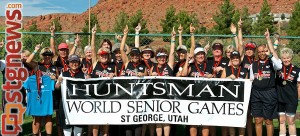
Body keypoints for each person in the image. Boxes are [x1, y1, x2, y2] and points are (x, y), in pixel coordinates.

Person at [249, 29, 282, 136]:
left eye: (263, 51)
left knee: (268, 120)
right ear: (257, 53)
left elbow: (280, 66)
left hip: (269, 93)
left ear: (266, 51)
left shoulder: (272, 62)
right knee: (258, 120)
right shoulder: (253, 65)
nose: (261, 53)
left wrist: (270, 52)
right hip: (256, 94)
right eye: (259, 52)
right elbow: (251, 80)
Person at [121, 25, 147, 136]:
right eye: (133, 55)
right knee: (128, 123)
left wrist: (143, 74)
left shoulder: (143, 65)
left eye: (137, 54)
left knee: (137, 124)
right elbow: (122, 49)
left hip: (138, 97)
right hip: (127, 95)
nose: (135, 56)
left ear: (139, 56)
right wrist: (125, 34)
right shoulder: (127, 63)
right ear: (130, 56)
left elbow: (146, 75)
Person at [181, 47, 213, 136]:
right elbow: (183, 75)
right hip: (193, 97)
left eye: (202, 54)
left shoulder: (209, 65)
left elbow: (214, 77)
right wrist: (187, 61)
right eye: (198, 54)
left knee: (205, 121)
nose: (201, 56)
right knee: (193, 121)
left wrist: (211, 76)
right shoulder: (191, 65)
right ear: (195, 56)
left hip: (206, 96)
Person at [90, 25, 116, 136]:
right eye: (102, 55)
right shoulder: (96, 63)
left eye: (106, 55)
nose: (104, 56)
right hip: (96, 94)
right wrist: (94, 34)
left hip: (108, 95)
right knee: (96, 119)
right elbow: (92, 48)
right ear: (99, 56)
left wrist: (113, 75)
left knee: (106, 119)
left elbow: (116, 77)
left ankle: (105, 134)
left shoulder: (112, 65)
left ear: (109, 55)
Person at [150, 27, 176, 136]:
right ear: (156, 58)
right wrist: (152, 74)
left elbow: (172, 52)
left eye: (164, 57)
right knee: (158, 120)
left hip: (167, 96)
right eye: (160, 57)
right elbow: (149, 78)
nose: (162, 59)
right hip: (155, 96)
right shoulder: (153, 66)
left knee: (166, 119)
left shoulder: (169, 65)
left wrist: (173, 38)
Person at [55, 54, 86, 136]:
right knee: (67, 128)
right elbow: (57, 87)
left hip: (79, 105)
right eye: (72, 62)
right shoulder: (63, 74)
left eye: (76, 62)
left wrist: (87, 76)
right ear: (68, 64)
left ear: (79, 64)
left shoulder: (83, 75)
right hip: (66, 104)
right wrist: (59, 82)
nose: (74, 64)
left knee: (78, 128)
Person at [221, 51, 249, 136]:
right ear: (231, 59)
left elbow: (247, 84)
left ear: (240, 59)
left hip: (241, 99)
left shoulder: (244, 70)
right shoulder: (227, 69)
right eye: (233, 58)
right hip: (229, 98)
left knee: (241, 121)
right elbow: (220, 82)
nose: (235, 59)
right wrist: (228, 78)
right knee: (231, 122)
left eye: (237, 58)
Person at [276, 47, 300, 136]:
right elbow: (273, 57)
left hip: (291, 99)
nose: (286, 60)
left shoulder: (297, 70)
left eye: (288, 58)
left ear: (291, 58)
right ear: (281, 58)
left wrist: (296, 99)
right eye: (284, 58)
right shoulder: (278, 68)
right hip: (280, 98)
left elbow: (299, 86)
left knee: (291, 121)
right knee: (281, 121)